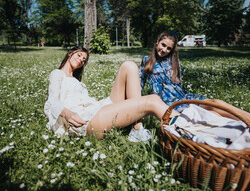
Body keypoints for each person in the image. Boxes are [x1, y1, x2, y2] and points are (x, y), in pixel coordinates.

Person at [139, 31, 250, 150]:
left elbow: (179, 86)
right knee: (216, 112)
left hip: (186, 98)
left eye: (169, 48)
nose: (164, 50)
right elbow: (138, 88)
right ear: (157, 42)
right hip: (171, 106)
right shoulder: (146, 61)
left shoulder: (173, 62)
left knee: (218, 104)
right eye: (163, 45)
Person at [44, 46, 180, 140]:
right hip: (86, 120)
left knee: (129, 65)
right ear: (70, 53)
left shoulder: (76, 81)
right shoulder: (57, 74)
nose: (81, 60)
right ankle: (187, 127)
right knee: (152, 101)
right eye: (79, 55)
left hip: (96, 109)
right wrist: (66, 113)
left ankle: (137, 127)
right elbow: (52, 102)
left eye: (84, 60)